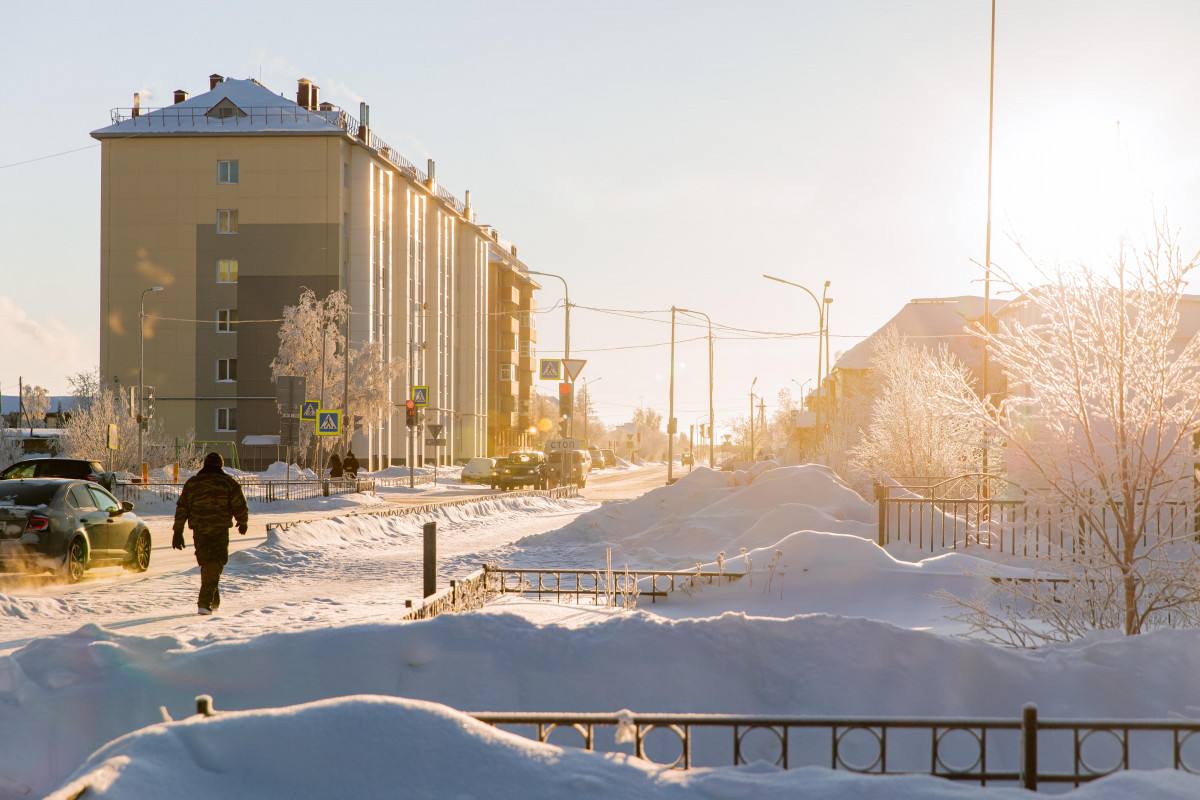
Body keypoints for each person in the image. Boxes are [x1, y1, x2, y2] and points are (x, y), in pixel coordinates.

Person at [172, 452, 249, 615]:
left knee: (207, 563)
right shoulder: (228, 483)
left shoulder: (193, 484)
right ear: (220, 465)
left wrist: (178, 531)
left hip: (200, 531)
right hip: (219, 530)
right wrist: (242, 522)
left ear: (205, 465)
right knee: (215, 563)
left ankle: (213, 599)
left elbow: (182, 507)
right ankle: (205, 602)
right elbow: (239, 504)